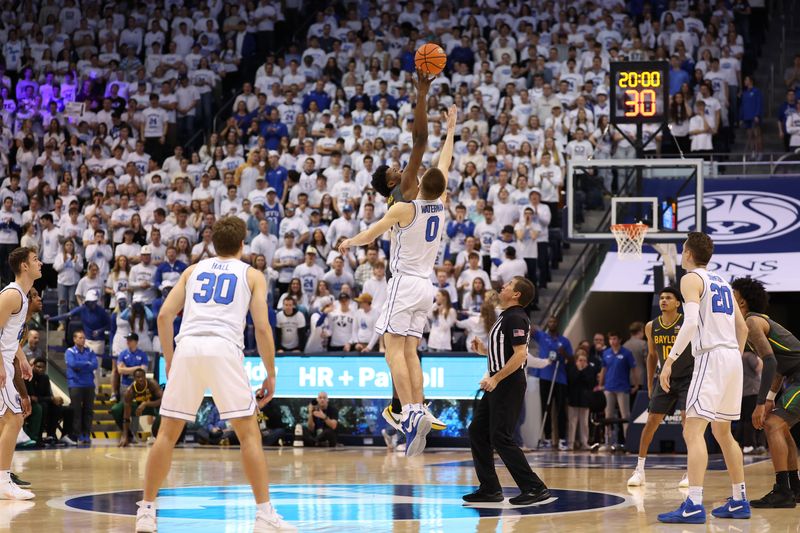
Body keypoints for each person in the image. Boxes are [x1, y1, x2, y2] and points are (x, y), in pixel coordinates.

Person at [136, 216, 294, 532]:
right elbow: (262, 328)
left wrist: (170, 360)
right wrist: (271, 372)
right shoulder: (252, 274)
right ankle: (264, 514)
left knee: (167, 434)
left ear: (213, 243)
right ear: (242, 244)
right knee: (249, 433)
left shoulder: (192, 270)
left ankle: (146, 512)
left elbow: (165, 316)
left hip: (188, 347)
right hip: (223, 348)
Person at [338, 104, 457, 456]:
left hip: (404, 282)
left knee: (391, 352)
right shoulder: (441, 201)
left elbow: (370, 235)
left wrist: (348, 241)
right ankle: (418, 408)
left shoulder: (403, 206)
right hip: (427, 287)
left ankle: (408, 414)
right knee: (410, 350)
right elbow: (444, 165)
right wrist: (450, 131)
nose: (405, 170)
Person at [658, 232, 750, 523]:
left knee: (692, 431)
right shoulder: (723, 281)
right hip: (732, 357)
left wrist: (670, 360)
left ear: (687, 254)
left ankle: (693, 504)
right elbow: (743, 329)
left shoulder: (690, 279)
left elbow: (690, 323)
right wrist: (732, 355)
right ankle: (739, 500)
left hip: (711, 357)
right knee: (724, 433)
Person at [464, 276, 551, 505]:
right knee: (478, 431)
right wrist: (484, 350)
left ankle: (534, 487)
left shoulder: (515, 317)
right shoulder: (505, 316)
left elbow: (521, 355)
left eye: (508, 285)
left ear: (516, 295)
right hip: (500, 381)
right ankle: (490, 488)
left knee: (500, 436)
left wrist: (495, 378)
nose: (502, 287)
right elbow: (504, 354)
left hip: (508, 383)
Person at [732, 277, 800, 507]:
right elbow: (780, 366)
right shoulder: (754, 323)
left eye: (733, 295)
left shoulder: (752, 322)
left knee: (772, 425)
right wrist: (770, 398)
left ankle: (782, 491)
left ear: (742, 301)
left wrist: (760, 403)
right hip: (793, 377)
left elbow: (770, 363)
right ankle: (794, 488)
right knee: (782, 429)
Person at [628, 287, 693, 488]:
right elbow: (652, 356)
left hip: (687, 378)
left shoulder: (687, 322)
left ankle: (691, 472)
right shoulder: (651, 326)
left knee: (687, 425)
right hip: (664, 380)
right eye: (662, 298)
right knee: (651, 423)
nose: (663, 300)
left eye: (668, 298)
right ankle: (639, 470)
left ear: (678, 303)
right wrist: (649, 383)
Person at [0, 247, 40, 500]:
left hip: (6, 358)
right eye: (35, 259)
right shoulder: (13, 294)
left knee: (8, 421)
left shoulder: (23, 297)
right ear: (24, 266)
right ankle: (3, 480)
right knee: (14, 419)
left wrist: (22, 358)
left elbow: (9, 335)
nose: (40, 263)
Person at [532, 316, 573, 451]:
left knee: (561, 409)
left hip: (560, 378)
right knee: (546, 408)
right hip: (545, 376)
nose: (552, 323)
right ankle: (548, 438)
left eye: (554, 321)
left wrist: (564, 353)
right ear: (547, 324)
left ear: (558, 323)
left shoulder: (564, 341)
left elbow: (571, 359)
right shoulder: (542, 336)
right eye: (549, 321)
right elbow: (530, 330)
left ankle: (562, 439)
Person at [598, 331, 637, 451]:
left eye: (615, 339)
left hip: (622, 387)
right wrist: (600, 384)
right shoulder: (606, 353)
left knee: (625, 415)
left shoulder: (627, 353)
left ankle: (629, 442)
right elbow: (603, 369)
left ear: (619, 340)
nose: (612, 341)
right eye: (610, 339)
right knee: (608, 415)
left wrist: (635, 384)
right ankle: (607, 442)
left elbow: (634, 369)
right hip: (609, 388)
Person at [25, 357, 73, 445]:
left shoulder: (45, 378)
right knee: (43, 406)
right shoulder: (28, 378)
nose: (40, 369)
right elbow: (33, 398)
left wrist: (55, 400)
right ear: (33, 366)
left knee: (67, 409)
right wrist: (50, 399)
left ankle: (60, 436)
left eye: (43, 367)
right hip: (33, 405)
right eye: (38, 367)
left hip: (44, 402)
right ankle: (38, 437)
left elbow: (48, 395)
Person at [113, 368, 162, 448]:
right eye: (138, 377)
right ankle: (128, 436)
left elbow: (163, 401)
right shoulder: (130, 391)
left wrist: (146, 404)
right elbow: (126, 416)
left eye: (142, 377)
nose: (141, 379)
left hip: (153, 406)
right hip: (138, 408)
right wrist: (125, 435)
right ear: (134, 379)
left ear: (145, 377)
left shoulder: (152, 384)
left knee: (164, 414)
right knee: (116, 409)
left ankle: (158, 436)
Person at [65, 330, 98, 445]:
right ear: (74, 339)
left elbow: (95, 365)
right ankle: (77, 434)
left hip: (89, 384)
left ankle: (86, 434)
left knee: (88, 411)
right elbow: (73, 364)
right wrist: (87, 363)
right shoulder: (69, 351)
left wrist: (82, 365)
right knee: (76, 410)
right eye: (80, 338)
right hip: (75, 384)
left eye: (83, 338)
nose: (82, 340)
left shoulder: (90, 351)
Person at [566, 349, 597, 451]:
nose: (582, 362)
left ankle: (585, 442)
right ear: (576, 361)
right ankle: (571, 443)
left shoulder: (590, 369)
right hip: (573, 398)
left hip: (585, 399)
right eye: (580, 360)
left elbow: (590, 382)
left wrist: (583, 371)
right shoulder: (572, 368)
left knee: (584, 423)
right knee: (572, 422)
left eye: (584, 360)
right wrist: (579, 370)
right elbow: (571, 380)